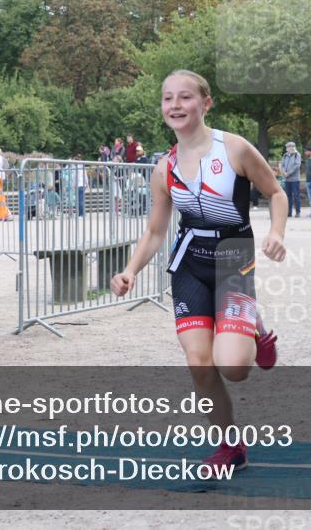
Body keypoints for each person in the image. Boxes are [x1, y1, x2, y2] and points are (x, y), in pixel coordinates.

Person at [110, 69, 285, 472]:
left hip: (233, 258)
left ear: (206, 103)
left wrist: (276, 232)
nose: (175, 105)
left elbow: (276, 194)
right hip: (190, 263)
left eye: (185, 97)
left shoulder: (235, 148)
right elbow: (155, 230)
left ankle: (255, 328)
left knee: (234, 368)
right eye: (168, 98)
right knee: (200, 363)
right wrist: (130, 270)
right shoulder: (163, 167)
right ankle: (230, 447)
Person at [280, 141, 302, 217]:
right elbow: (282, 165)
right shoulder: (285, 155)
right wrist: (283, 172)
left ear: (292, 147)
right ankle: (289, 212)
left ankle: (298, 212)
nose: (286, 148)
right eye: (286, 147)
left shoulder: (297, 155)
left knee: (296, 196)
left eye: (288, 147)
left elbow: (297, 166)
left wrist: (288, 173)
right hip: (287, 179)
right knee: (288, 196)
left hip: (295, 179)